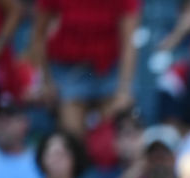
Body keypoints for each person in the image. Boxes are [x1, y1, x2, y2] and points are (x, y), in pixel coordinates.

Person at [29, 0, 140, 138]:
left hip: (109, 69)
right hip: (68, 69)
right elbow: (39, 36)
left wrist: (124, 89)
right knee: (72, 138)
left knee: (109, 138)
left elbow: (128, 42)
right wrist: (45, 80)